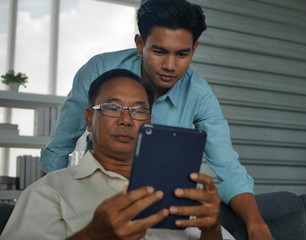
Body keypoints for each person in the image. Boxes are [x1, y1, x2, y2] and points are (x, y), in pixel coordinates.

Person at [40, 0, 274, 239]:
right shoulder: (99, 69)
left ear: (194, 49)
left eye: (182, 54)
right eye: (159, 51)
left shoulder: (200, 95)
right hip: (98, 191)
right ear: (140, 45)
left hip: (165, 201)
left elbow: (228, 167)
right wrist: (46, 203)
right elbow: (60, 146)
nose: (170, 66)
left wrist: (257, 226)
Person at [1, 69, 235, 240]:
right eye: (112, 108)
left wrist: (212, 229)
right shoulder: (49, 191)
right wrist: (92, 236)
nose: (126, 120)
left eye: (138, 111)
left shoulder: (180, 190)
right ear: (90, 120)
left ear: (148, 123)